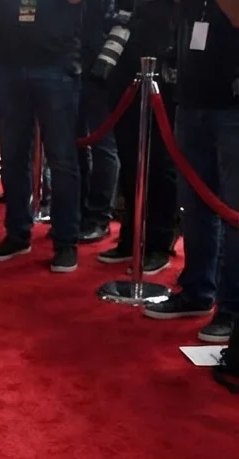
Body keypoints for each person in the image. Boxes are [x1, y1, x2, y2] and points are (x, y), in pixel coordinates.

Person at [143, 0, 239, 343]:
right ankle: (196, 291)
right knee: (196, 206)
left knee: (233, 213)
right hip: (192, 96)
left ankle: (232, 311)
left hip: (232, 103)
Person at [0, 0, 84, 272]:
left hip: (55, 61)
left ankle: (65, 241)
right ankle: (17, 233)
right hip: (8, 61)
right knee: (13, 156)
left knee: (62, 160)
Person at [96, 0, 179, 274]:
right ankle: (132, 236)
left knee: (158, 160)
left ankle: (159, 241)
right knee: (130, 157)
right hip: (124, 58)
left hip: (162, 57)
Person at [76, 0, 120, 243]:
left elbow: (123, 18)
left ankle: (99, 216)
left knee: (104, 145)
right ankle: (78, 212)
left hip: (104, 66)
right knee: (76, 143)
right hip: (72, 59)